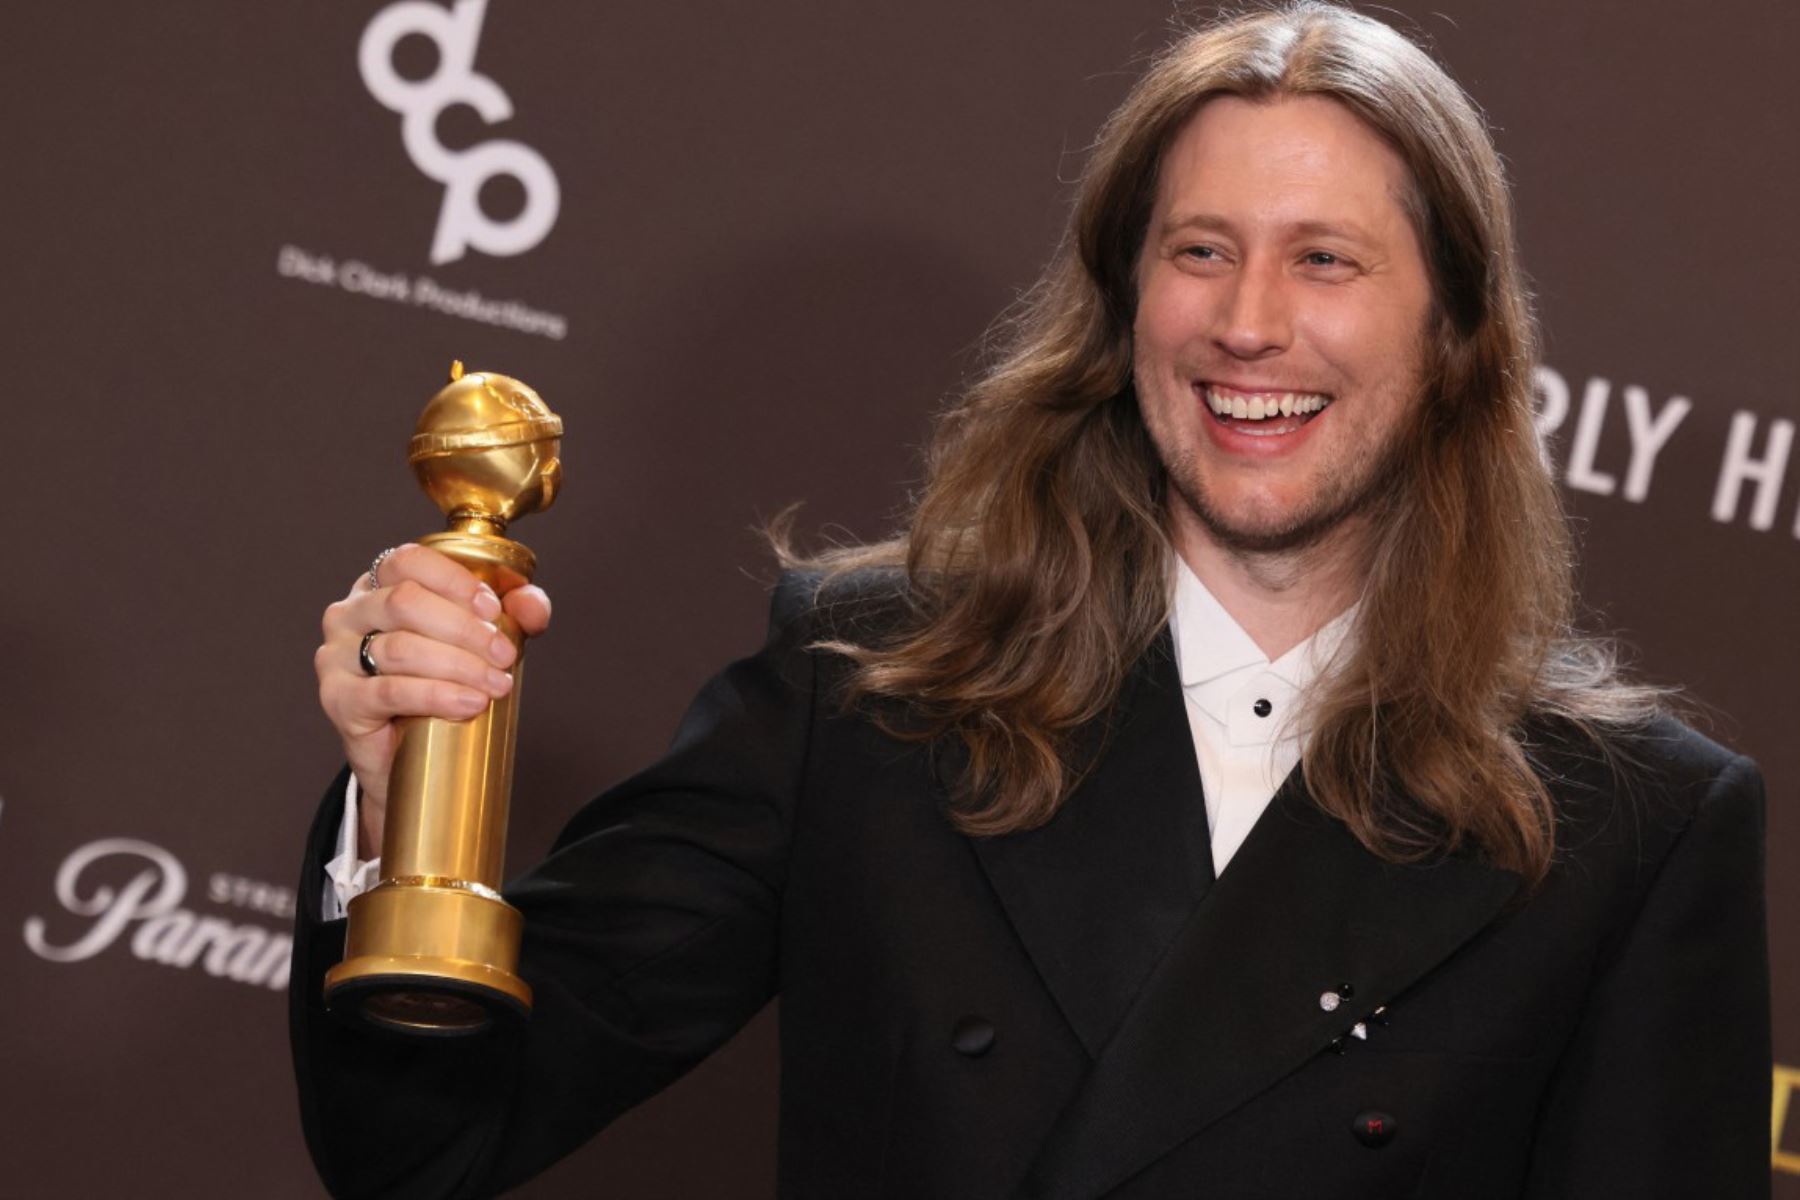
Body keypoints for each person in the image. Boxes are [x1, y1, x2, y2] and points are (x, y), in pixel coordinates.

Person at [293, 4, 1772, 1197]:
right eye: (1201, 251)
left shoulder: (1627, 829)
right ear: (1126, 302)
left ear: (1454, 334)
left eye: (1326, 261)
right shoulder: (868, 687)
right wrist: (394, 803)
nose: (1249, 322)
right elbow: (423, 1143)